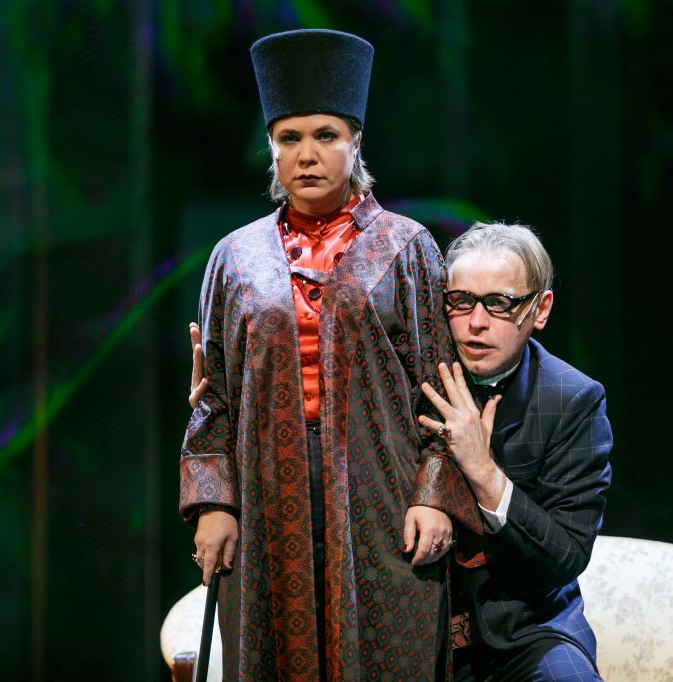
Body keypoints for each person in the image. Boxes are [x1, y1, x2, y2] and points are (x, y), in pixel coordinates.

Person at [179, 29, 480, 681]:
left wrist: (435, 495)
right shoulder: (235, 258)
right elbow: (214, 396)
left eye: (325, 135)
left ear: (356, 142)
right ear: (271, 147)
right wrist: (213, 503)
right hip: (265, 495)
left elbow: (443, 389)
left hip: (380, 498)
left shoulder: (406, 248)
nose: (307, 154)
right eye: (289, 138)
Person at [416, 222, 613, 681]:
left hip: (527, 628)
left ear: (540, 309)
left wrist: (483, 471)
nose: (476, 322)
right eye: (461, 301)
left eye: (499, 304)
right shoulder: (412, 378)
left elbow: (565, 554)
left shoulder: (571, 400)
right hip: (422, 630)